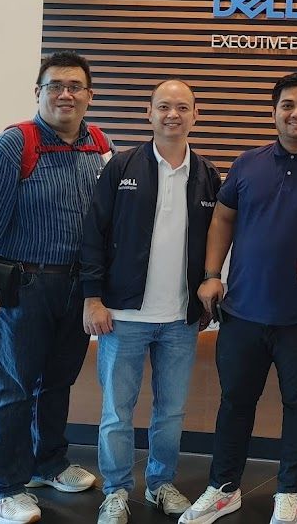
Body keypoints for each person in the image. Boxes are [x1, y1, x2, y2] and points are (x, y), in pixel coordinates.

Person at [179, 72, 297, 524]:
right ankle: (223, 488)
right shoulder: (246, 164)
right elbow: (222, 220)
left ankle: (289, 493)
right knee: (235, 402)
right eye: (287, 105)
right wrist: (210, 275)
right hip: (242, 311)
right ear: (274, 112)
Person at [0, 51, 109, 524]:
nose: (65, 94)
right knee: (11, 388)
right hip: (20, 287)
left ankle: (49, 463)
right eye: (55, 85)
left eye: (75, 86)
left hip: (73, 287)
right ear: (38, 92)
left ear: (89, 95)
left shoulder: (98, 145)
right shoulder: (12, 145)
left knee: (57, 383)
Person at [80, 80, 223, 524]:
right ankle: (117, 491)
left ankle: (160, 484)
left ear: (195, 115)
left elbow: (217, 241)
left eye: (183, 107)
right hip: (122, 316)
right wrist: (92, 298)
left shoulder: (207, 174)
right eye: (164, 107)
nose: (173, 115)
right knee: (116, 412)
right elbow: (93, 236)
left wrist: (204, 298)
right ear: (149, 113)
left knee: (171, 411)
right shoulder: (121, 166)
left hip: (180, 319)